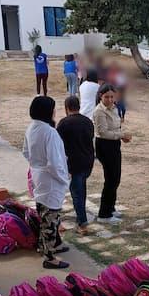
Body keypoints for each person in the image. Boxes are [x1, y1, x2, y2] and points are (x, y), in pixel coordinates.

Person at [22, 96, 70, 270]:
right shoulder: (49, 132)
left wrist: (37, 165)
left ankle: (50, 245)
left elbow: (25, 152)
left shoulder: (32, 128)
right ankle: (49, 257)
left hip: (38, 175)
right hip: (51, 179)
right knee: (50, 217)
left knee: (44, 212)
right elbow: (55, 163)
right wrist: (64, 179)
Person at [94, 84, 132, 224]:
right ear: (100, 96)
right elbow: (103, 132)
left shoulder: (114, 108)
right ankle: (104, 214)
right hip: (104, 145)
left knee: (116, 178)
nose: (110, 99)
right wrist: (121, 135)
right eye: (106, 97)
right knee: (110, 179)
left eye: (111, 96)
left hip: (114, 144)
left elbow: (116, 127)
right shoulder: (99, 111)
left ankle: (111, 207)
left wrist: (122, 136)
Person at [57, 95, 95, 236]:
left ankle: (82, 223)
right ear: (78, 106)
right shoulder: (87, 122)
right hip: (88, 161)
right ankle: (82, 218)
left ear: (66, 108)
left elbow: (58, 145)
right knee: (81, 190)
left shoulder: (64, 123)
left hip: (74, 163)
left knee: (77, 194)